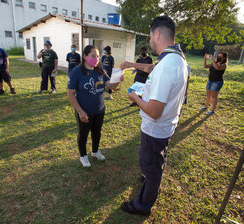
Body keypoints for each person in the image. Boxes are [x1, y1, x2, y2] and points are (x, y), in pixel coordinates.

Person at [120, 16, 188, 216]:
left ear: (157, 34)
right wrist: (133, 64)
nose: (150, 41)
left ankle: (142, 205)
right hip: (166, 126)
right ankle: (150, 179)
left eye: (150, 36)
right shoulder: (176, 58)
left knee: (151, 166)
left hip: (155, 129)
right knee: (155, 162)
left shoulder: (167, 65)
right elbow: (153, 69)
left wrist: (134, 97)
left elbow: (154, 111)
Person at [67, 45, 124, 167]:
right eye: (93, 56)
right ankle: (83, 156)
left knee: (97, 133)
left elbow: (110, 86)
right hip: (84, 111)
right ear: (85, 56)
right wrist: (80, 111)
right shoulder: (76, 72)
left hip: (99, 110)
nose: (96, 59)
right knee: (83, 135)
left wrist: (118, 80)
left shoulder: (100, 70)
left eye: (98, 56)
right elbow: (70, 93)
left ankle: (95, 151)